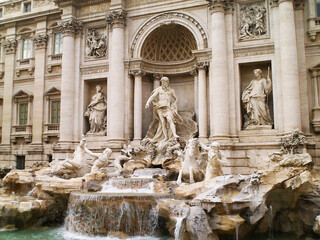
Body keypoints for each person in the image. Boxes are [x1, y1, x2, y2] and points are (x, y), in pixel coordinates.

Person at [145, 76, 183, 142]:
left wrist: (174, 104)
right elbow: (152, 96)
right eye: (162, 82)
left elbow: (176, 98)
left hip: (167, 107)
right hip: (160, 107)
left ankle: (174, 134)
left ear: (167, 82)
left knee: (170, 119)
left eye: (164, 82)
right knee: (162, 122)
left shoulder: (171, 90)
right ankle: (165, 137)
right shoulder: (158, 89)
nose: (163, 83)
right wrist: (148, 103)